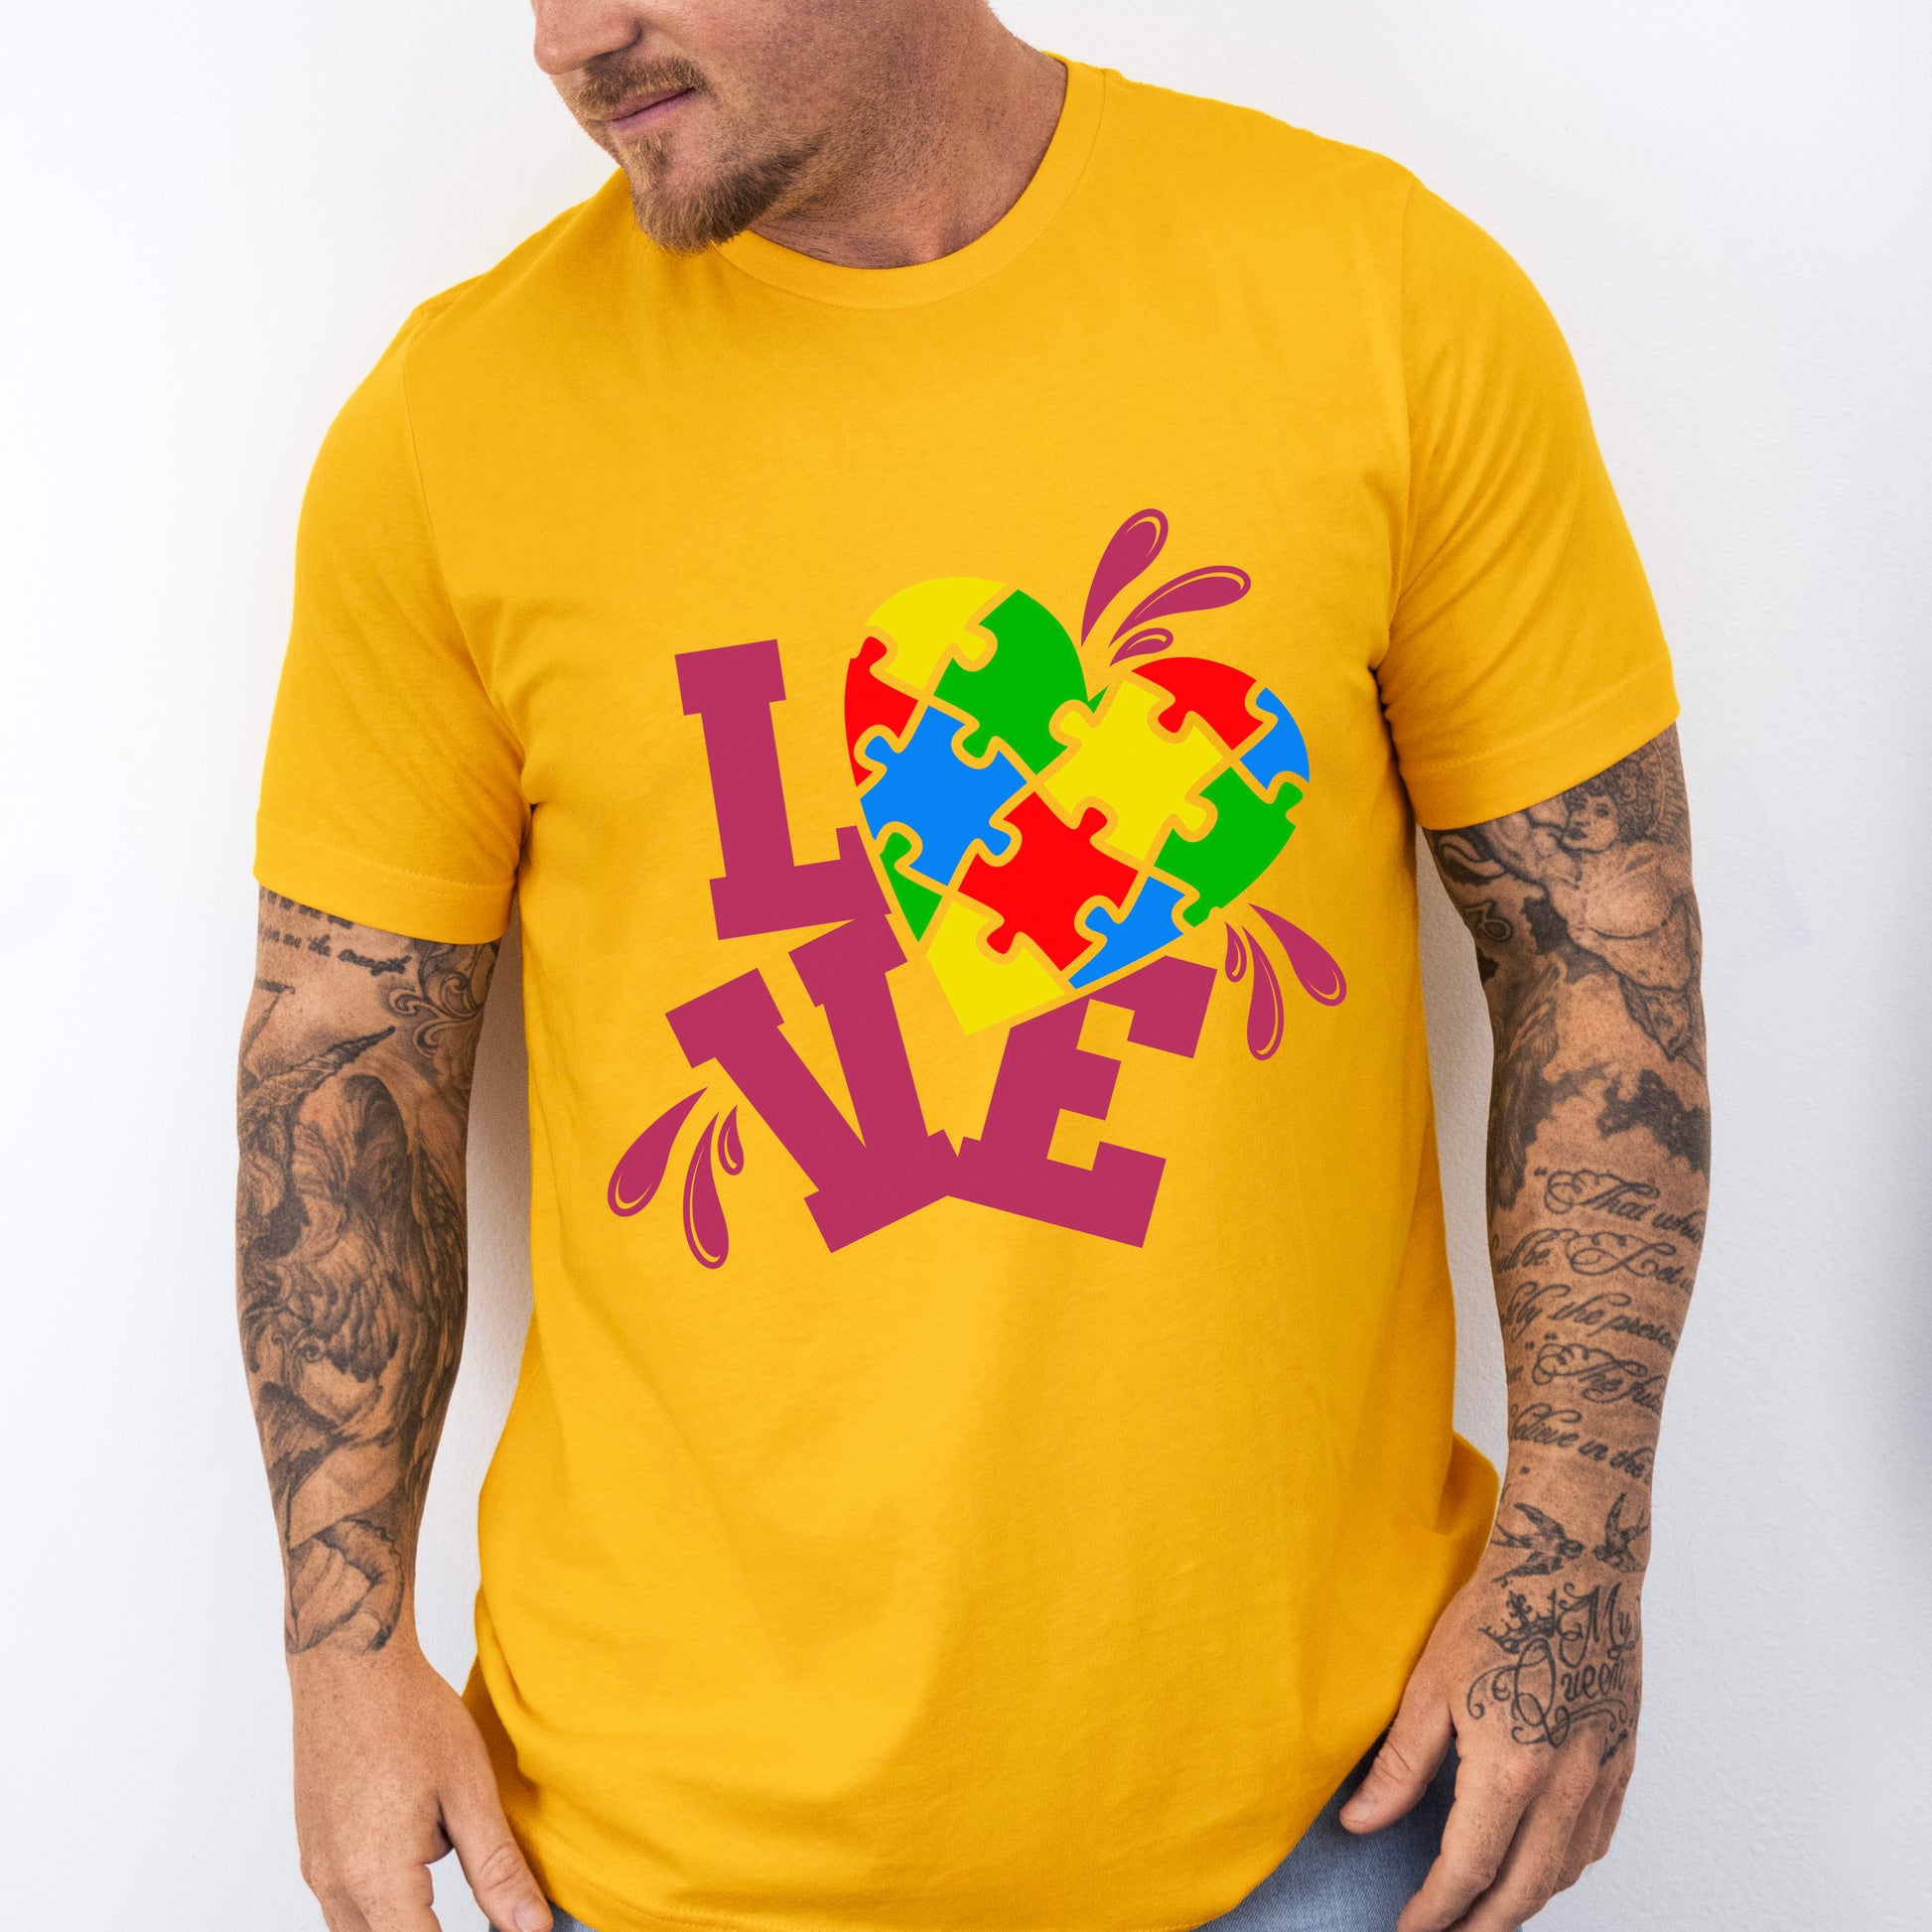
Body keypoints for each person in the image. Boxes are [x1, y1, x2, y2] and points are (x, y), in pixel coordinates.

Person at [236, 3, 1709, 1929]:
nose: (568, 36)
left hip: (1324, 1817)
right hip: (655, 1850)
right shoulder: (457, 424)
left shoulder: (1381, 302)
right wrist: (343, 1657)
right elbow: (343, 1055)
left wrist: (1576, 1568)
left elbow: (1599, 948)